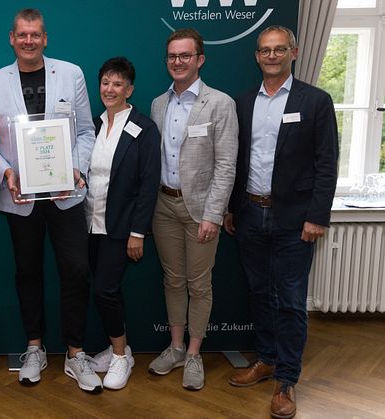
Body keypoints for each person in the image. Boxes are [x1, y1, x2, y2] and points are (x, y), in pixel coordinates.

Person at [0, 8, 98, 393]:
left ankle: (76, 352)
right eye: (22, 35)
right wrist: (7, 173)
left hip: (66, 195)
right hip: (19, 198)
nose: (29, 41)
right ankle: (35, 347)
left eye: (36, 35)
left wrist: (76, 168)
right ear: (12, 39)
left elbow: (85, 131)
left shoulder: (71, 73)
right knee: (27, 272)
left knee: (76, 272)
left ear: (45, 38)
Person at [223, 25, 338, 419]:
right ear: (257, 56)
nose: (271, 56)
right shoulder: (243, 103)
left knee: (290, 301)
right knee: (258, 292)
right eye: (264, 50)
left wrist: (316, 217)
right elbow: (237, 162)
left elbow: (327, 165)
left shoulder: (316, 101)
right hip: (251, 213)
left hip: (295, 221)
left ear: (294, 52)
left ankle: (287, 380)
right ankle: (267, 360)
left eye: (279, 50)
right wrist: (231, 207)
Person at [149, 28, 238, 391]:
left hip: (200, 209)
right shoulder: (158, 104)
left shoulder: (220, 103)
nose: (178, 62)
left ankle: (195, 354)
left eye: (185, 56)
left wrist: (213, 214)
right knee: (173, 280)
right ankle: (175, 347)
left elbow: (226, 164)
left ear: (200, 59)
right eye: (172, 56)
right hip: (163, 207)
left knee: (199, 285)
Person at [85, 57, 161, 390]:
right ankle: (121, 347)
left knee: (104, 290)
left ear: (129, 89)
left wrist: (137, 232)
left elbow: (148, 184)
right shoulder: (93, 124)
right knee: (107, 291)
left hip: (121, 227)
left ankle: (119, 358)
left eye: (118, 84)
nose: (110, 89)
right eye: (105, 82)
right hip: (90, 223)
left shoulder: (144, 128)